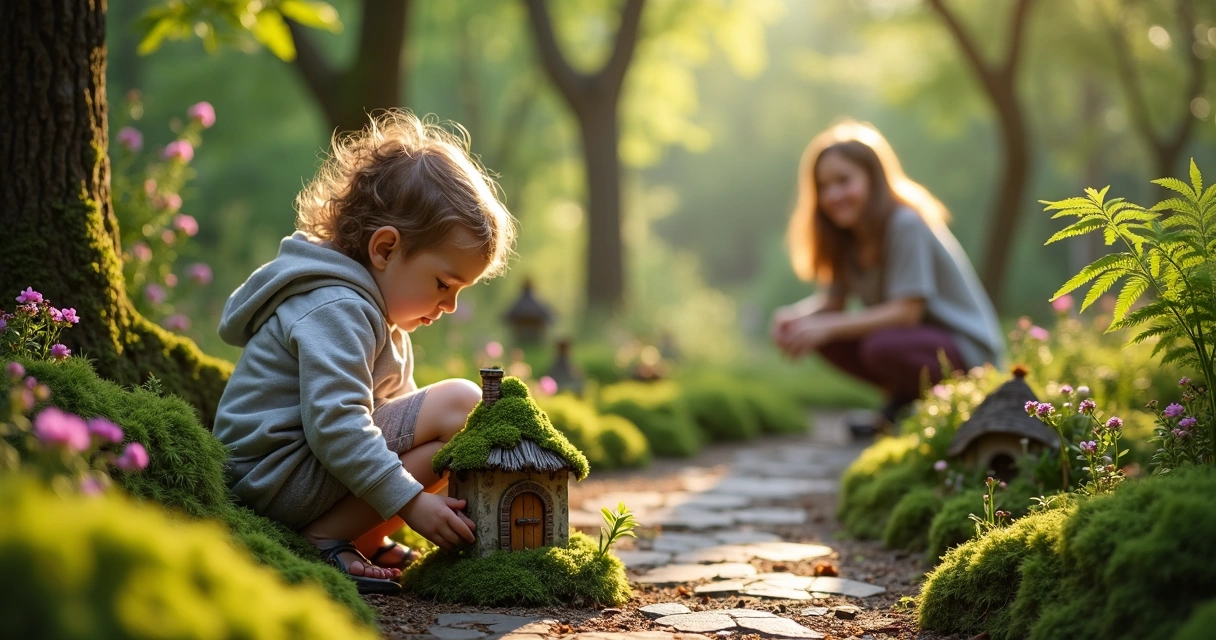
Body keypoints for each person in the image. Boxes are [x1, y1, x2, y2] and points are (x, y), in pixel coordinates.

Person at [213, 110, 517, 594]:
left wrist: (413, 494)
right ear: (385, 249)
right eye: (443, 283)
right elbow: (335, 423)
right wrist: (414, 505)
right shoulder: (338, 307)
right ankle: (324, 538)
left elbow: (400, 427)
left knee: (444, 448)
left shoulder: (379, 317)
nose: (450, 305)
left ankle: (359, 538)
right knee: (461, 403)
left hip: (298, 474)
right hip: (273, 476)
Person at [771, 120, 1002, 433]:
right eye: (823, 187)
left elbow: (907, 313)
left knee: (879, 346)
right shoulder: (846, 237)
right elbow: (832, 304)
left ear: (873, 177)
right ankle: (906, 402)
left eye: (843, 180)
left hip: (966, 352)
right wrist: (795, 318)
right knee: (823, 336)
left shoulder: (905, 224)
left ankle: (920, 407)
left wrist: (824, 327)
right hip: (913, 342)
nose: (833, 194)